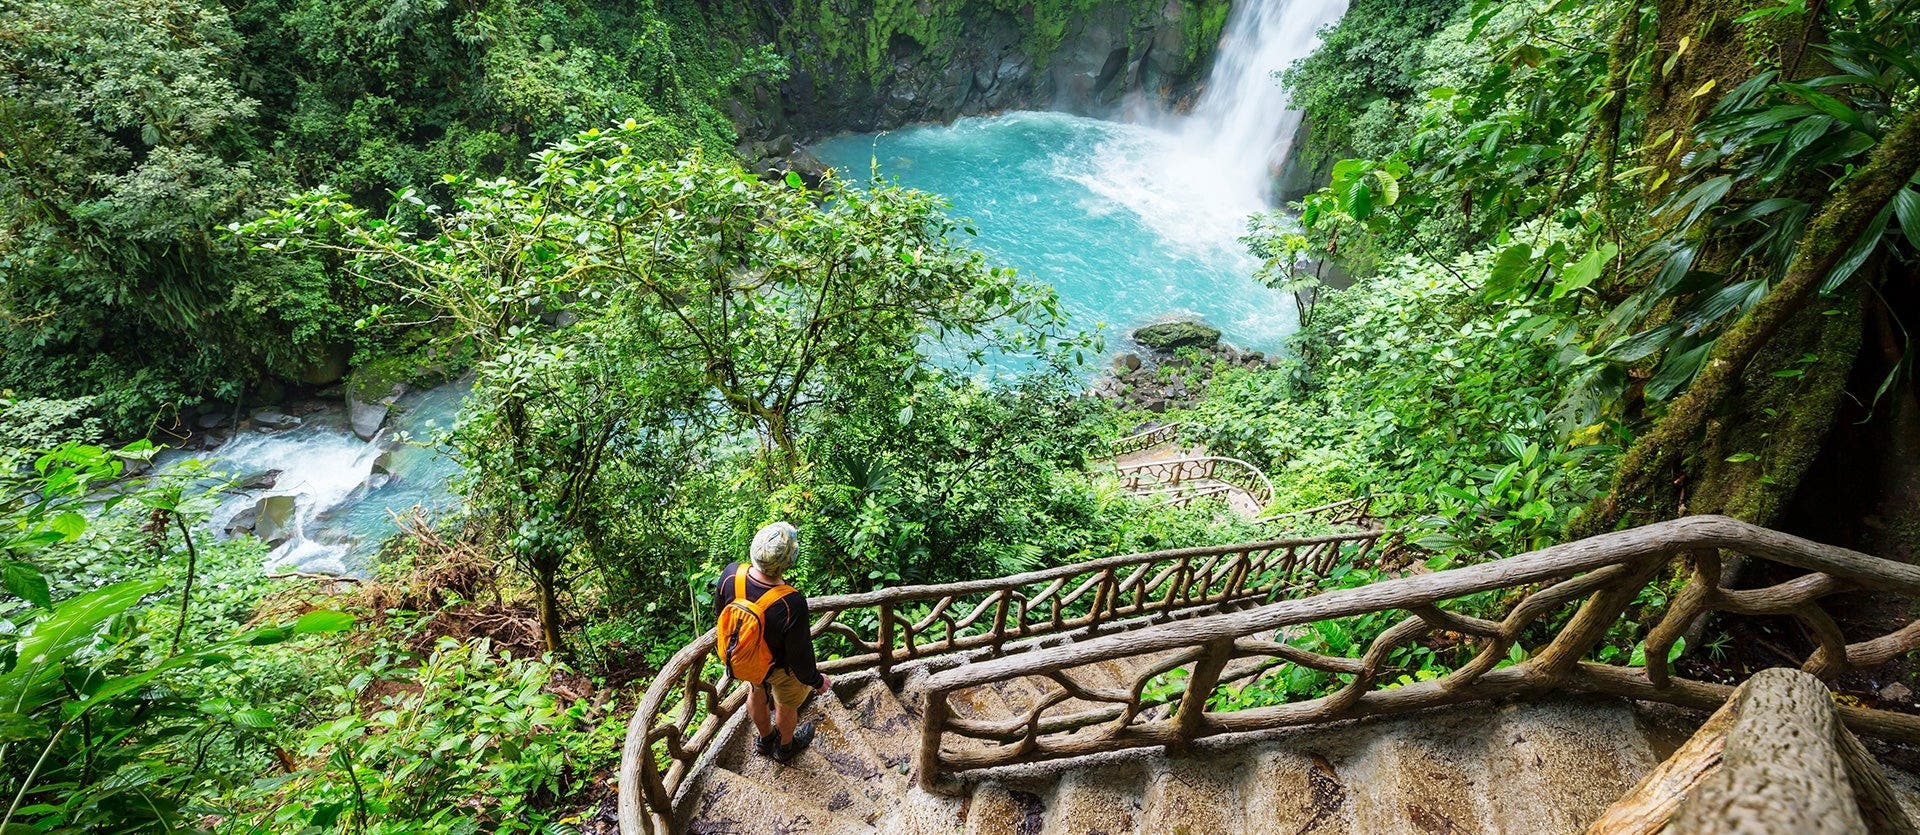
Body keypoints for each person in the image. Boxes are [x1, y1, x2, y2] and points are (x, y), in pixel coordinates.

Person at [714, 521, 832, 763]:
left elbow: (721, 617)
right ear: (789, 561)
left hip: (747, 659)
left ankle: (766, 739)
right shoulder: (791, 602)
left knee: (756, 690)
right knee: (786, 704)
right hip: (780, 668)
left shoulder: (731, 575)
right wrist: (816, 680)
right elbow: (800, 654)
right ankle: (785, 748)